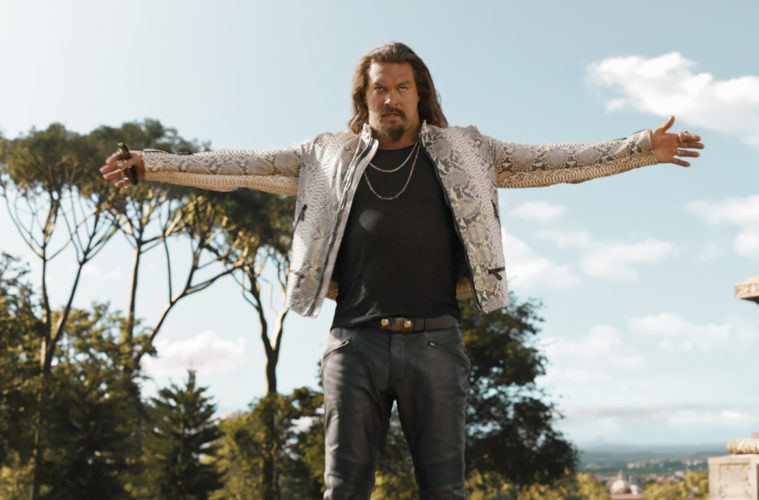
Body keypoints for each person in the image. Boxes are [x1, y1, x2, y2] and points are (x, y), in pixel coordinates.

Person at [100, 41, 703, 499]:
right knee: (343, 490)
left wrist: (639, 148)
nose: (390, 98)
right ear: (363, 99)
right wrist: (151, 164)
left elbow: (552, 160)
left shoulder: (467, 150)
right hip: (353, 345)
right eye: (379, 89)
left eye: (402, 88)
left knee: (444, 491)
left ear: (420, 94)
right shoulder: (325, 157)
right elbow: (235, 165)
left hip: (436, 343)